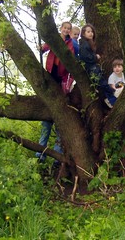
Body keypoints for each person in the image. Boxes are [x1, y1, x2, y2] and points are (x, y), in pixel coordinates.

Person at [36, 21, 75, 163]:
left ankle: (57, 158)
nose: (66, 30)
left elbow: (70, 55)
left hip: (61, 74)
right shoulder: (55, 38)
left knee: (59, 129)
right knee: (46, 126)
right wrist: (41, 48)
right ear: (61, 28)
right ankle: (40, 155)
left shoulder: (70, 43)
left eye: (68, 29)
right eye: (65, 28)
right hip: (51, 71)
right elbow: (46, 47)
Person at [79, 23, 117, 108]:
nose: (91, 33)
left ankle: (112, 100)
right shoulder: (84, 44)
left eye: (92, 31)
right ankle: (114, 92)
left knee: (102, 83)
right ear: (83, 33)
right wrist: (95, 57)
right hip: (91, 68)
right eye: (88, 31)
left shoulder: (89, 43)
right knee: (102, 84)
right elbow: (86, 57)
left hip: (94, 68)